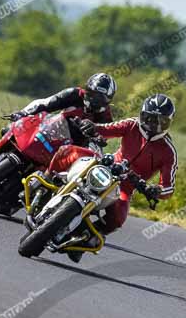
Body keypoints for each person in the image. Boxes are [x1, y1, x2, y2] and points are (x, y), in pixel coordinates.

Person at [44, 94, 178, 262]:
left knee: (119, 218)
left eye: (160, 121)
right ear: (142, 115)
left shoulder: (168, 151)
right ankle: (46, 180)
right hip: (106, 165)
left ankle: (88, 236)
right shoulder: (131, 124)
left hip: (126, 186)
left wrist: (155, 190)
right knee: (68, 151)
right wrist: (90, 126)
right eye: (149, 118)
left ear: (168, 123)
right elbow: (105, 128)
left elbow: (168, 187)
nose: (153, 125)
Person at [11, 72, 117, 124]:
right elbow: (44, 104)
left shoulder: (106, 116)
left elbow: (103, 138)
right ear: (87, 90)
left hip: (71, 151)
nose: (96, 101)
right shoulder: (73, 94)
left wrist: (98, 140)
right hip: (51, 133)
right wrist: (23, 113)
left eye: (101, 98)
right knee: (8, 130)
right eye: (94, 95)